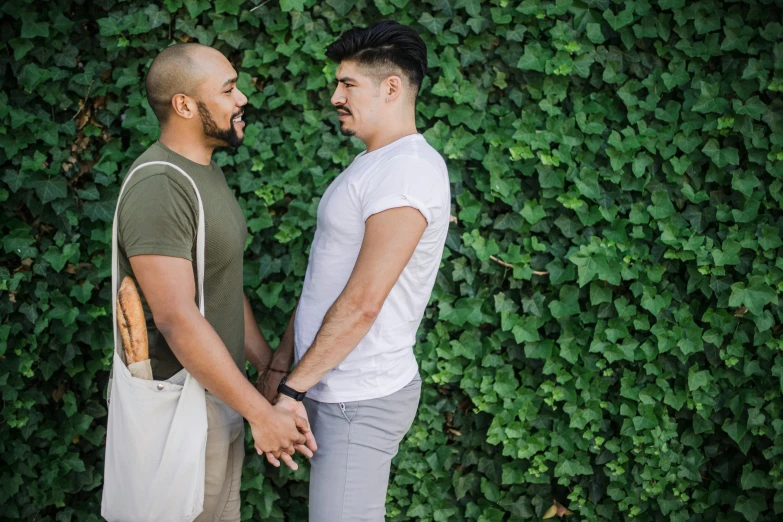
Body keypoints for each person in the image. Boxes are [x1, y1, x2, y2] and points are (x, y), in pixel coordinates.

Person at [256, 21, 451, 521]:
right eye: (336, 83)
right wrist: (282, 364)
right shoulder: (373, 163)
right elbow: (329, 277)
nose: (335, 96)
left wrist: (293, 389)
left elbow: (364, 300)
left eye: (348, 85)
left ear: (391, 88)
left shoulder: (406, 171)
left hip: (357, 399)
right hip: (326, 382)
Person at [117, 43, 315, 522]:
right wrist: (261, 415)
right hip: (180, 409)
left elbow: (221, 284)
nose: (242, 97)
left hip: (221, 397)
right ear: (185, 105)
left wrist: (268, 370)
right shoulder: (161, 184)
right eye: (228, 88)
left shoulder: (204, 173)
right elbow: (177, 318)